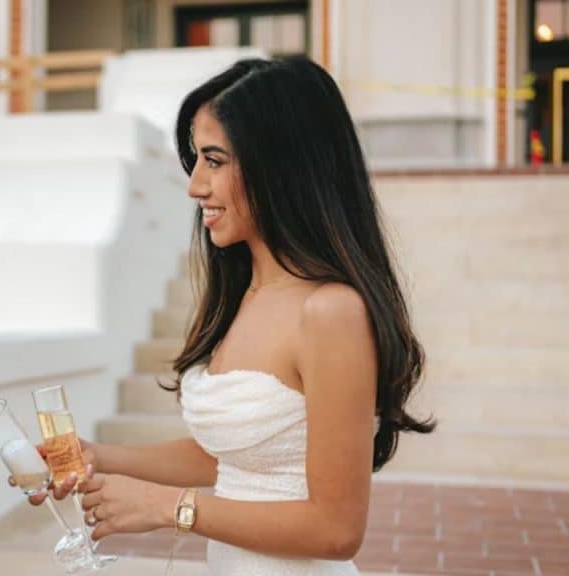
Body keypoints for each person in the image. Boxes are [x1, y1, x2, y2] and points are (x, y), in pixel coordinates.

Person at [37, 57, 434, 575]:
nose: (195, 185)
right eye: (196, 160)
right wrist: (100, 457)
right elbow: (231, 456)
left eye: (215, 160)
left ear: (281, 167)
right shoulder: (244, 294)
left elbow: (337, 531)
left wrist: (166, 507)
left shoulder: (330, 312)